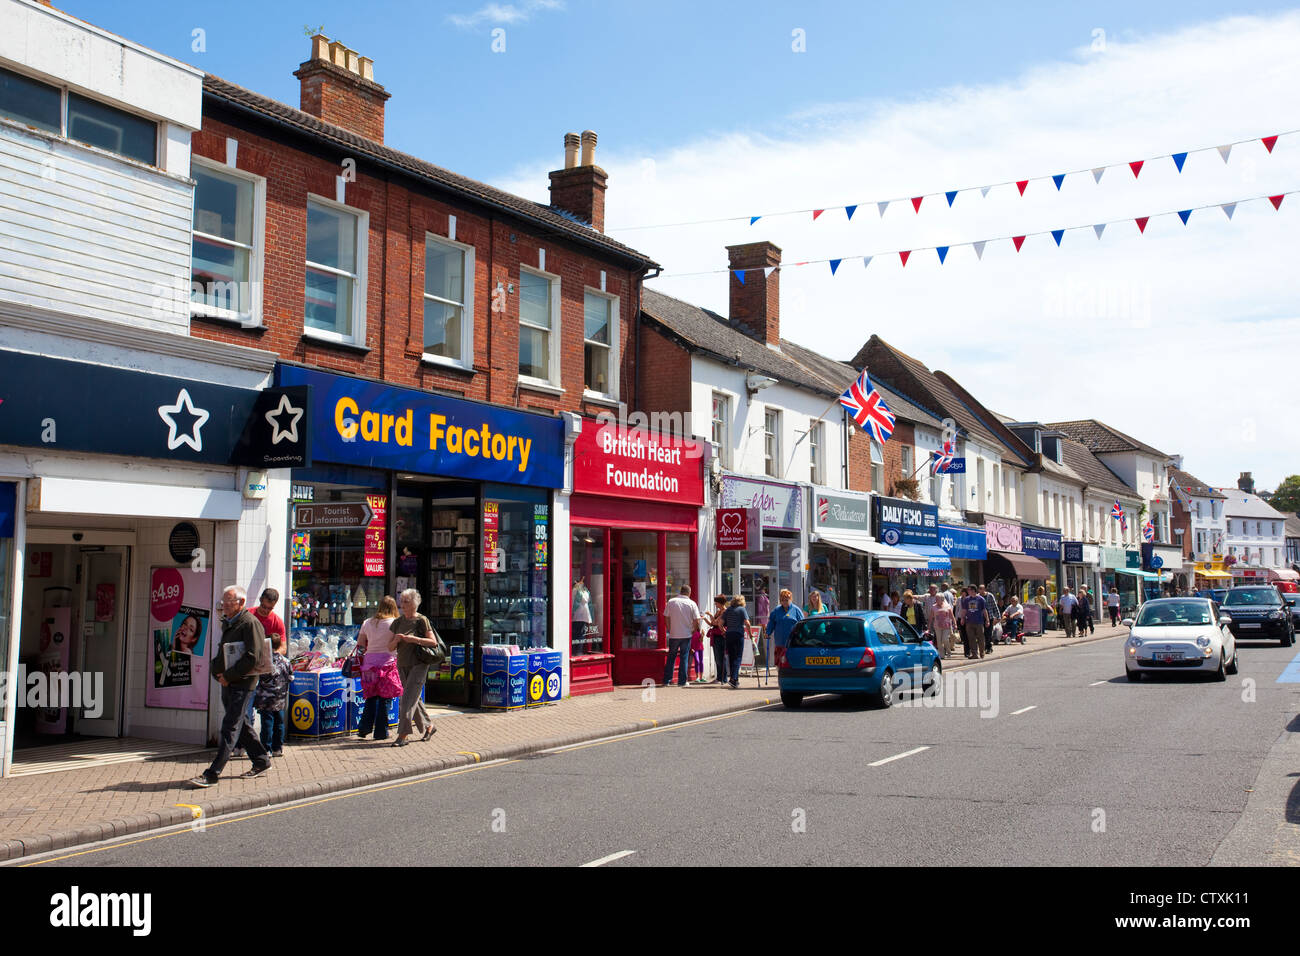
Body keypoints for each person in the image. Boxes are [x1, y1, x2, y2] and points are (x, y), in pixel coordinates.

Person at [190, 586, 271, 787]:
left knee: (230, 726)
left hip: (241, 683)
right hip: (228, 681)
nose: (224, 606)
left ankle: (212, 772)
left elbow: (253, 657)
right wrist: (218, 672)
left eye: (228, 602)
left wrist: (229, 675)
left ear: (241, 603)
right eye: (223, 602)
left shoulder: (249, 623)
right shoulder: (230, 622)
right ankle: (261, 760)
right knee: (241, 723)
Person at [390, 589, 443, 746]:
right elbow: (389, 646)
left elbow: (433, 642)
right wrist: (396, 641)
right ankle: (429, 726)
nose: (402, 604)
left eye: (406, 601)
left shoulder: (421, 620)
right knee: (414, 698)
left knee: (406, 700)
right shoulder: (398, 622)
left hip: (419, 663)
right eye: (402, 601)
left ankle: (403, 735)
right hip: (402, 663)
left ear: (415, 604)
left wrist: (414, 639)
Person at [355, 595, 402, 740]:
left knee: (371, 697)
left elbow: (361, 644)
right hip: (387, 664)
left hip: (369, 665)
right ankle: (381, 732)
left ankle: (364, 728)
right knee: (385, 698)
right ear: (394, 607)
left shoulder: (367, 622)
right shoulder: (395, 623)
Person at [255, 633, 293, 756]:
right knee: (279, 723)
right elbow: (291, 677)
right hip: (280, 698)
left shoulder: (265, 661)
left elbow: (258, 676)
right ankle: (278, 748)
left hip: (266, 698)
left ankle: (266, 748)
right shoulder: (286, 661)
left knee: (267, 723)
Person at [664, 585, 702, 688]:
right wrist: (694, 630)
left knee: (671, 657)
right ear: (689, 593)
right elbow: (697, 620)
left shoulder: (671, 601)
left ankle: (667, 680)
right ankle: (682, 681)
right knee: (684, 657)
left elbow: (666, 616)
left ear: (680, 591)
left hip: (674, 634)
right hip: (686, 634)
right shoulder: (692, 603)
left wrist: (669, 628)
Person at [766, 589, 805, 664]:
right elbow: (771, 623)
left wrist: (804, 635)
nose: (785, 602)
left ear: (791, 599)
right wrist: (768, 632)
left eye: (787, 600)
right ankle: (780, 674)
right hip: (780, 641)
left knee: (791, 660)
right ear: (780, 601)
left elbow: (802, 624)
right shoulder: (776, 611)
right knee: (779, 661)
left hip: (792, 641)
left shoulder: (796, 610)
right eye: (783, 600)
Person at [722, 595, 750, 689]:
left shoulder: (728, 610)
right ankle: (733, 679)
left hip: (729, 634)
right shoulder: (742, 609)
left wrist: (724, 631)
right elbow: (747, 623)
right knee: (738, 657)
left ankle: (735, 680)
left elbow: (720, 623)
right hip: (738, 634)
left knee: (732, 657)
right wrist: (750, 633)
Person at [703, 594, 728, 685]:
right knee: (717, 658)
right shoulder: (718, 612)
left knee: (721, 658)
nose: (715, 604)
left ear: (721, 603)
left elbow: (715, 622)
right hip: (716, 636)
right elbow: (711, 624)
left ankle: (723, 678)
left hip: (721, 636)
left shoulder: (725, 612)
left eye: (716, 603)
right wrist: (705, 618)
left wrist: (710, 615)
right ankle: (719, 678)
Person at [960, 585, 990, 660]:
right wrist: (962, 618)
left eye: (969, 590)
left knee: (981, 638)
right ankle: (974, 654)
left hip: (979, 621)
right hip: (969, 622)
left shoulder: (981, 599)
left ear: (973, 590)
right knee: (971, 638)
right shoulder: (966, 600)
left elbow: (984, 610)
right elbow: (964, 610)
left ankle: (982, 652)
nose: (968, 591)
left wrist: (987, 620)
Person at [930, 588, 956, 658]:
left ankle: (948, 651)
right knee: (939, 641)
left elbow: (952, 616)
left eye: (937, 599)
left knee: (945, 639)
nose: (936, 600)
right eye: (936, 598)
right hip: (937, 626)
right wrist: (929, 627)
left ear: (942, 599)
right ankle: (942, 655)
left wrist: (955, 624)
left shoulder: (947, 606)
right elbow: (931, 617)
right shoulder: (933, 607)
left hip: (946, 626)